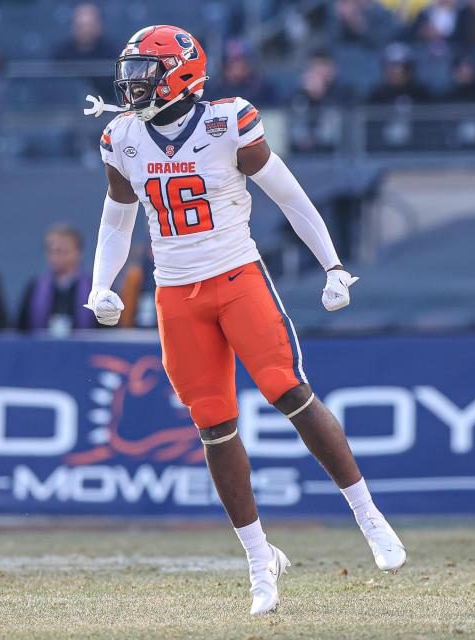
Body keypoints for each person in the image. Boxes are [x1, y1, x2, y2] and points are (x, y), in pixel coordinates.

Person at [84, 25, 406, 616]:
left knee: (289, 391)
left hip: (237, 278)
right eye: (129, 73)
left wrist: (333, 265)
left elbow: (290, 195)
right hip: (175, 294)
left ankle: (368, 514)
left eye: (144, 73)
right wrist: (100, 284)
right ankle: (260, 561)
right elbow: (115, 221)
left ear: (180, 73)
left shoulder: (227, 120)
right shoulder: (121, 136)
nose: (131, 86)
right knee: (214, 427)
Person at [17, 223, 96, 333]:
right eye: (53, 251)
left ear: (78, 253)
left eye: (64, 251)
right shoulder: (34, 287)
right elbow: (22, 329)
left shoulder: (96, 290)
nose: (58, 257)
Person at [289, 50, 355, 154]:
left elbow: (345, 120)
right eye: (313, 67)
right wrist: (310, 97)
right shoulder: (300, 93)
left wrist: (320, 96)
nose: (316, 71)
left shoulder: (345, 90)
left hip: (337, 153)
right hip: (303, 154)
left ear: (332, 69)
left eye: (321, 66)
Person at [206, 39, 276, 106]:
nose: (239, 66)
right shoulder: (214, 92)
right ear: (225, 66)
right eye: (234, 62)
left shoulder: (265, 91)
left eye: (243, 61)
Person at [367, 42, 433, 105]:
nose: (396, 71)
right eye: (392, 67)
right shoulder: (378, 95)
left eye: (401, 66)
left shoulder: (420, 92)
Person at [330, 0, 401, 49]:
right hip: (346, 59)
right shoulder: (337, 10)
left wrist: (356, 22)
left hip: (372, 60)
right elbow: (333, 43)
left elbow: (384, 44)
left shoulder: (382, 12)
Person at [408, 0, 473, 48]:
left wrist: (442, 35)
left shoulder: (464, 14)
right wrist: (423, 32)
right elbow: (413, 34)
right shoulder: (425, 12)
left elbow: (466, 38)